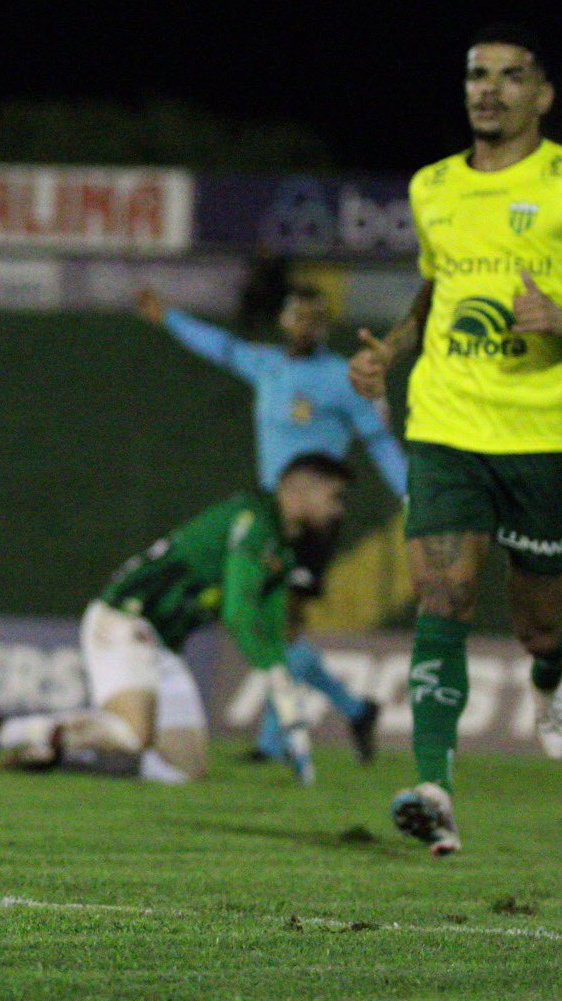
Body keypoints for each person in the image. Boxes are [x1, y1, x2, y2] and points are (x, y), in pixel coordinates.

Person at [351, 26, 562, 857]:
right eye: (476, 76)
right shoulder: (433, 187)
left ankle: (551, 675)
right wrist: (394, 347)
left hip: (543, 434)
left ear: (542, 95)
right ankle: (433, 788)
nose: (487, 89)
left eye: (509, 76)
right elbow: (439, 279)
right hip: (448, 424)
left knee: (536, 622)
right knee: (443, 594)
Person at [0, 453, 354, 786]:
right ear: (297, 493)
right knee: (135, 735)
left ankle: (65, 754)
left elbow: (269, 619)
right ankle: (4, 730)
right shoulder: (253, 520)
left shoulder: (283, 543)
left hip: (163, 644)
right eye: (333, 497)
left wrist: (277, 670)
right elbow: (239, 612)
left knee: (186, 768)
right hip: (125, 620)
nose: (338, 511)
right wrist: (273, 673)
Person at [137, 282, 404, 764]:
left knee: (282, 625)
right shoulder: (267, 364)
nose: (305, 325)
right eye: (297, 316)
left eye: (315, 318)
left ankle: (286, 734)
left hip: (314, 522)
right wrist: (168, 319)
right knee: (274, 626)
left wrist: (411, 494)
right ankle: (342, 713)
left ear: (326, 326)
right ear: (283, 320)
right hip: (269, 517)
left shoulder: (340, 378)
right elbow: (221, 347)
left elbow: (379, 441)